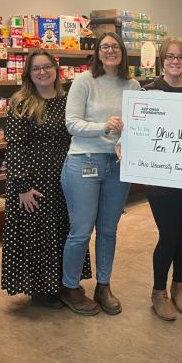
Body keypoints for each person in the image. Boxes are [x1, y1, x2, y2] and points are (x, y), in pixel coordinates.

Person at [59, 31, 141, 316]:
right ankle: (70, 287)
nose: (109, 51)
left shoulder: (132, 85)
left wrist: (121, 141)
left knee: (108, 230)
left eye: (115, 46)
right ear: (96, 52)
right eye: (104, 47)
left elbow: (137, 125)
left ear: (122, 51)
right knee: (81, 231)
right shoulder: (83, 81)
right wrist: (103, 127)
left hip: (117, 165)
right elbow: (71, 123)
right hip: (83, 161)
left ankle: (103, 285)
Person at [1, 50, 91, 306]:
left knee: (67, 229)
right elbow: (15, 146)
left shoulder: (67, 100)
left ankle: (66, 282)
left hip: (67, 177)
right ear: (28, 74)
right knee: (39, 234)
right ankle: (42, 288)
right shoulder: (22, 101)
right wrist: (22, 187)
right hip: (35, 181)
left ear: (56, 69)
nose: (42, 72)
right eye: (36, 68)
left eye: (46, 67)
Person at [142, 37, 182, 321]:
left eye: (180, 57)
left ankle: (179, 285)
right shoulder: (149, 91)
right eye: (169, 56)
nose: (175, 61)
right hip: (159, 175)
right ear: (161, 60)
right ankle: (158, 292)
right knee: (168, 233)